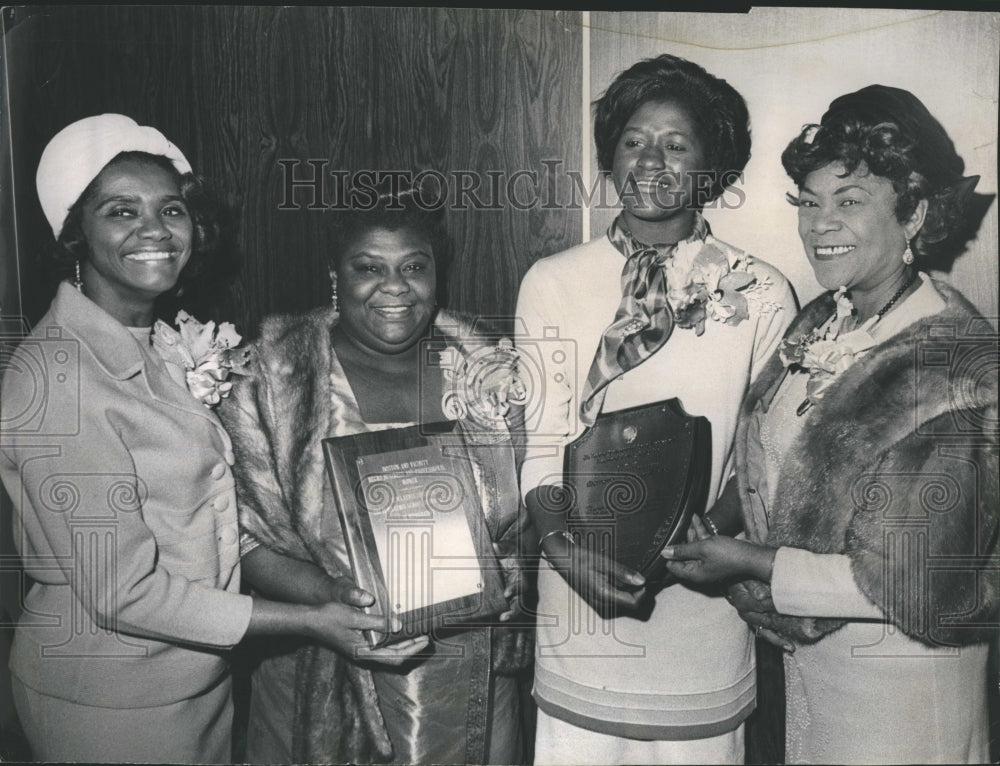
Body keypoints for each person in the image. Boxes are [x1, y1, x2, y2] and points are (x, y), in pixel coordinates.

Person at [0, 114, 426, 764]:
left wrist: (325, 590)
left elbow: (212, 521)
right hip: (107, 705)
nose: (154, 230)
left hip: (195, 685)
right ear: (73, 235)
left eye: (171, 209)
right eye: (121, 211)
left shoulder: (162, 344)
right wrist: (313, 624)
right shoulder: (61, 377)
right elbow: (124, 592)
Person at [662, 85, 998, 764]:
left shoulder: (953, 362)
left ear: (915, 214)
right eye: (810, 204)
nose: (820, 225)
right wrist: (718, 522)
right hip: (816, 680)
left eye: (849, 202)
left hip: (905, 695)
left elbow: (919, 581)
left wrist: (751, 564)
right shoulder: (825, 317)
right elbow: (778, 460)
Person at [514, 54, 796, 765]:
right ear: (610, 154)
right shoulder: (552, 281)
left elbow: (763, 465)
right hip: (578, 610)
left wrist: (690, 548)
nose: (652, 160)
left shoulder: (761, 292)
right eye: (634, 140)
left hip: (700, 612)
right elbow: (544, 439)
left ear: (713, 166)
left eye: (678, 144)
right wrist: (560, 548)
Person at [216, 182, 535, 764]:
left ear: (439, 274)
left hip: (466, 679)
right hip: (319, 668)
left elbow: (522, 514)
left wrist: (511, 571)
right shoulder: (268, 376)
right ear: (335, 274)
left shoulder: (487, 370)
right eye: (369, 267)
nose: (394, 286)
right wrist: (331, 598)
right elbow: (240, 541)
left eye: (415, 266)